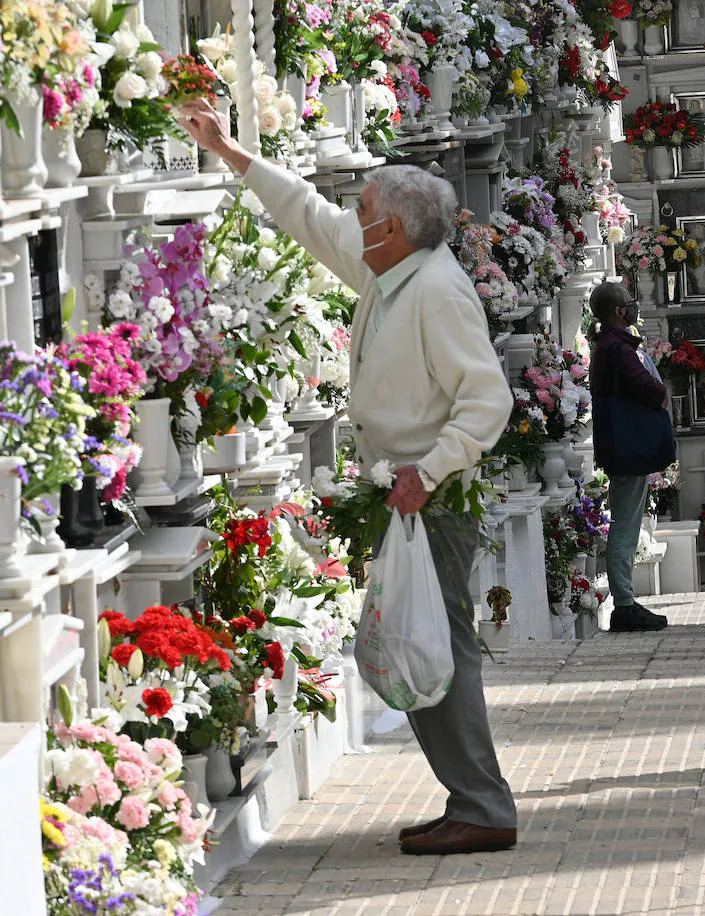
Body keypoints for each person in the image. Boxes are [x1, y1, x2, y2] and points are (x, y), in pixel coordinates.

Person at [177, 100, 519, 855]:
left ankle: (483, 807)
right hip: (406, 493)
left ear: (391, 229)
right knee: (415, 643)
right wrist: (230, 150)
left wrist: (427, 473)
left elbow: (487, 399)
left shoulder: (434, 289)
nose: (351, 215)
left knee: (434, 646)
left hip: (428, 495)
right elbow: (305, 212)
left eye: (363, 208)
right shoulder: (388, 270)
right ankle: (471, 799)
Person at [586, 282, 671, 633]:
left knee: (627, 521)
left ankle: (626, 601)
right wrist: (660, 394)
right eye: (628, 303)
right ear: (618, 311)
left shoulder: (609, 343)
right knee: (624, 524)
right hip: (627, 445)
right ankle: (624, 604)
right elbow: (644, 384)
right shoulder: (616, 346)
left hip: (623, 445)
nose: (633, 306)